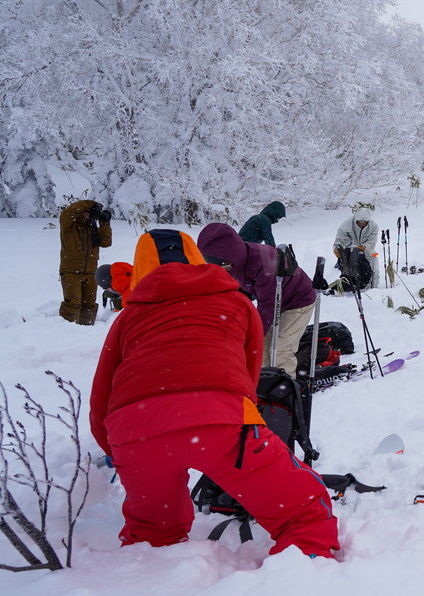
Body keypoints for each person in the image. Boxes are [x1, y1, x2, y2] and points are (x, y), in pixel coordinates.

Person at [88, 229, 338, 558]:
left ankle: (143, 589)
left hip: (135, 433)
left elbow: (101, 397)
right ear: (197, 257)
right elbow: (249, 373)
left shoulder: (127, 319)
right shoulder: (233, 301)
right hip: (222, 422)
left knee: (151, 533)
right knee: (303, 513)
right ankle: (310, 581)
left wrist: (121, 453)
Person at [197, 223, 317, 376]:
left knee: (281, 346)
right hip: (275, 300)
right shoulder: (235, 264)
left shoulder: (265, 262)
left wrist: (252, 335)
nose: (224, 269)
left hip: (299, 300)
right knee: (262, 345)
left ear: (230, 255)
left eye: (225, 264)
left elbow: (268, 306)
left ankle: (286, 388)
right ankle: (265, 379)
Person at [58, 199, 113, 324]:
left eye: (90, 213)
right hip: (71, 270)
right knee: (72, 304)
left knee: (89, 304)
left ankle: (86, 330)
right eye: (87, 212)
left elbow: (106, 242)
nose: (88, 215)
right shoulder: (69, 225)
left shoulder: (92, 228)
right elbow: (69, 211)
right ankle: (66, 332)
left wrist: (104, 223)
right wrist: (91, 204)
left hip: (91, 271)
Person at [333, 207, 381, 289]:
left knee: (374, 264)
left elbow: (372, 242)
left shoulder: (374, 226)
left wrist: (364, 246)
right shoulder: (346, 226)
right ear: (356, 220)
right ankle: (350, 284)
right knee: (350, 268)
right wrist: (336, 249)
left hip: (367, 249)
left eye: (364, 222)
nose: (362, 224)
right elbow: (339, 240)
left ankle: (372, 288)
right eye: (359, 222)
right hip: (351, 248)